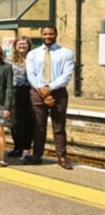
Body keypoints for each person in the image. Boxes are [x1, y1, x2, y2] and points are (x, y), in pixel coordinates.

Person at [25, 25, 74, 169]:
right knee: (38, 126)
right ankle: (37, 155)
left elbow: (67, 75)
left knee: (59, 126)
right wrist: (42, 91)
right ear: (41, 35)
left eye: (51, 34)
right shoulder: (33, 54)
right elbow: (31, 74)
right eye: (45, 34)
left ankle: (62, 157)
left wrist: (49, 88)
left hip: (58, 92)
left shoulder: (66, 53)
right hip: (37, 90)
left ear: (56, 35)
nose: (48, 36)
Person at [8, 37, 33, 157]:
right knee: (15, 122)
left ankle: (27, 148)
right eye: (19, 44)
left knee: (29, 120)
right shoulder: (9, 60)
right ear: (15, 46)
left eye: (24, 44)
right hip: (14, 91)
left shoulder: (33, 59)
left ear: (29, 45)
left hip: (30, 91)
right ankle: (17, 147)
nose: (22, 46)